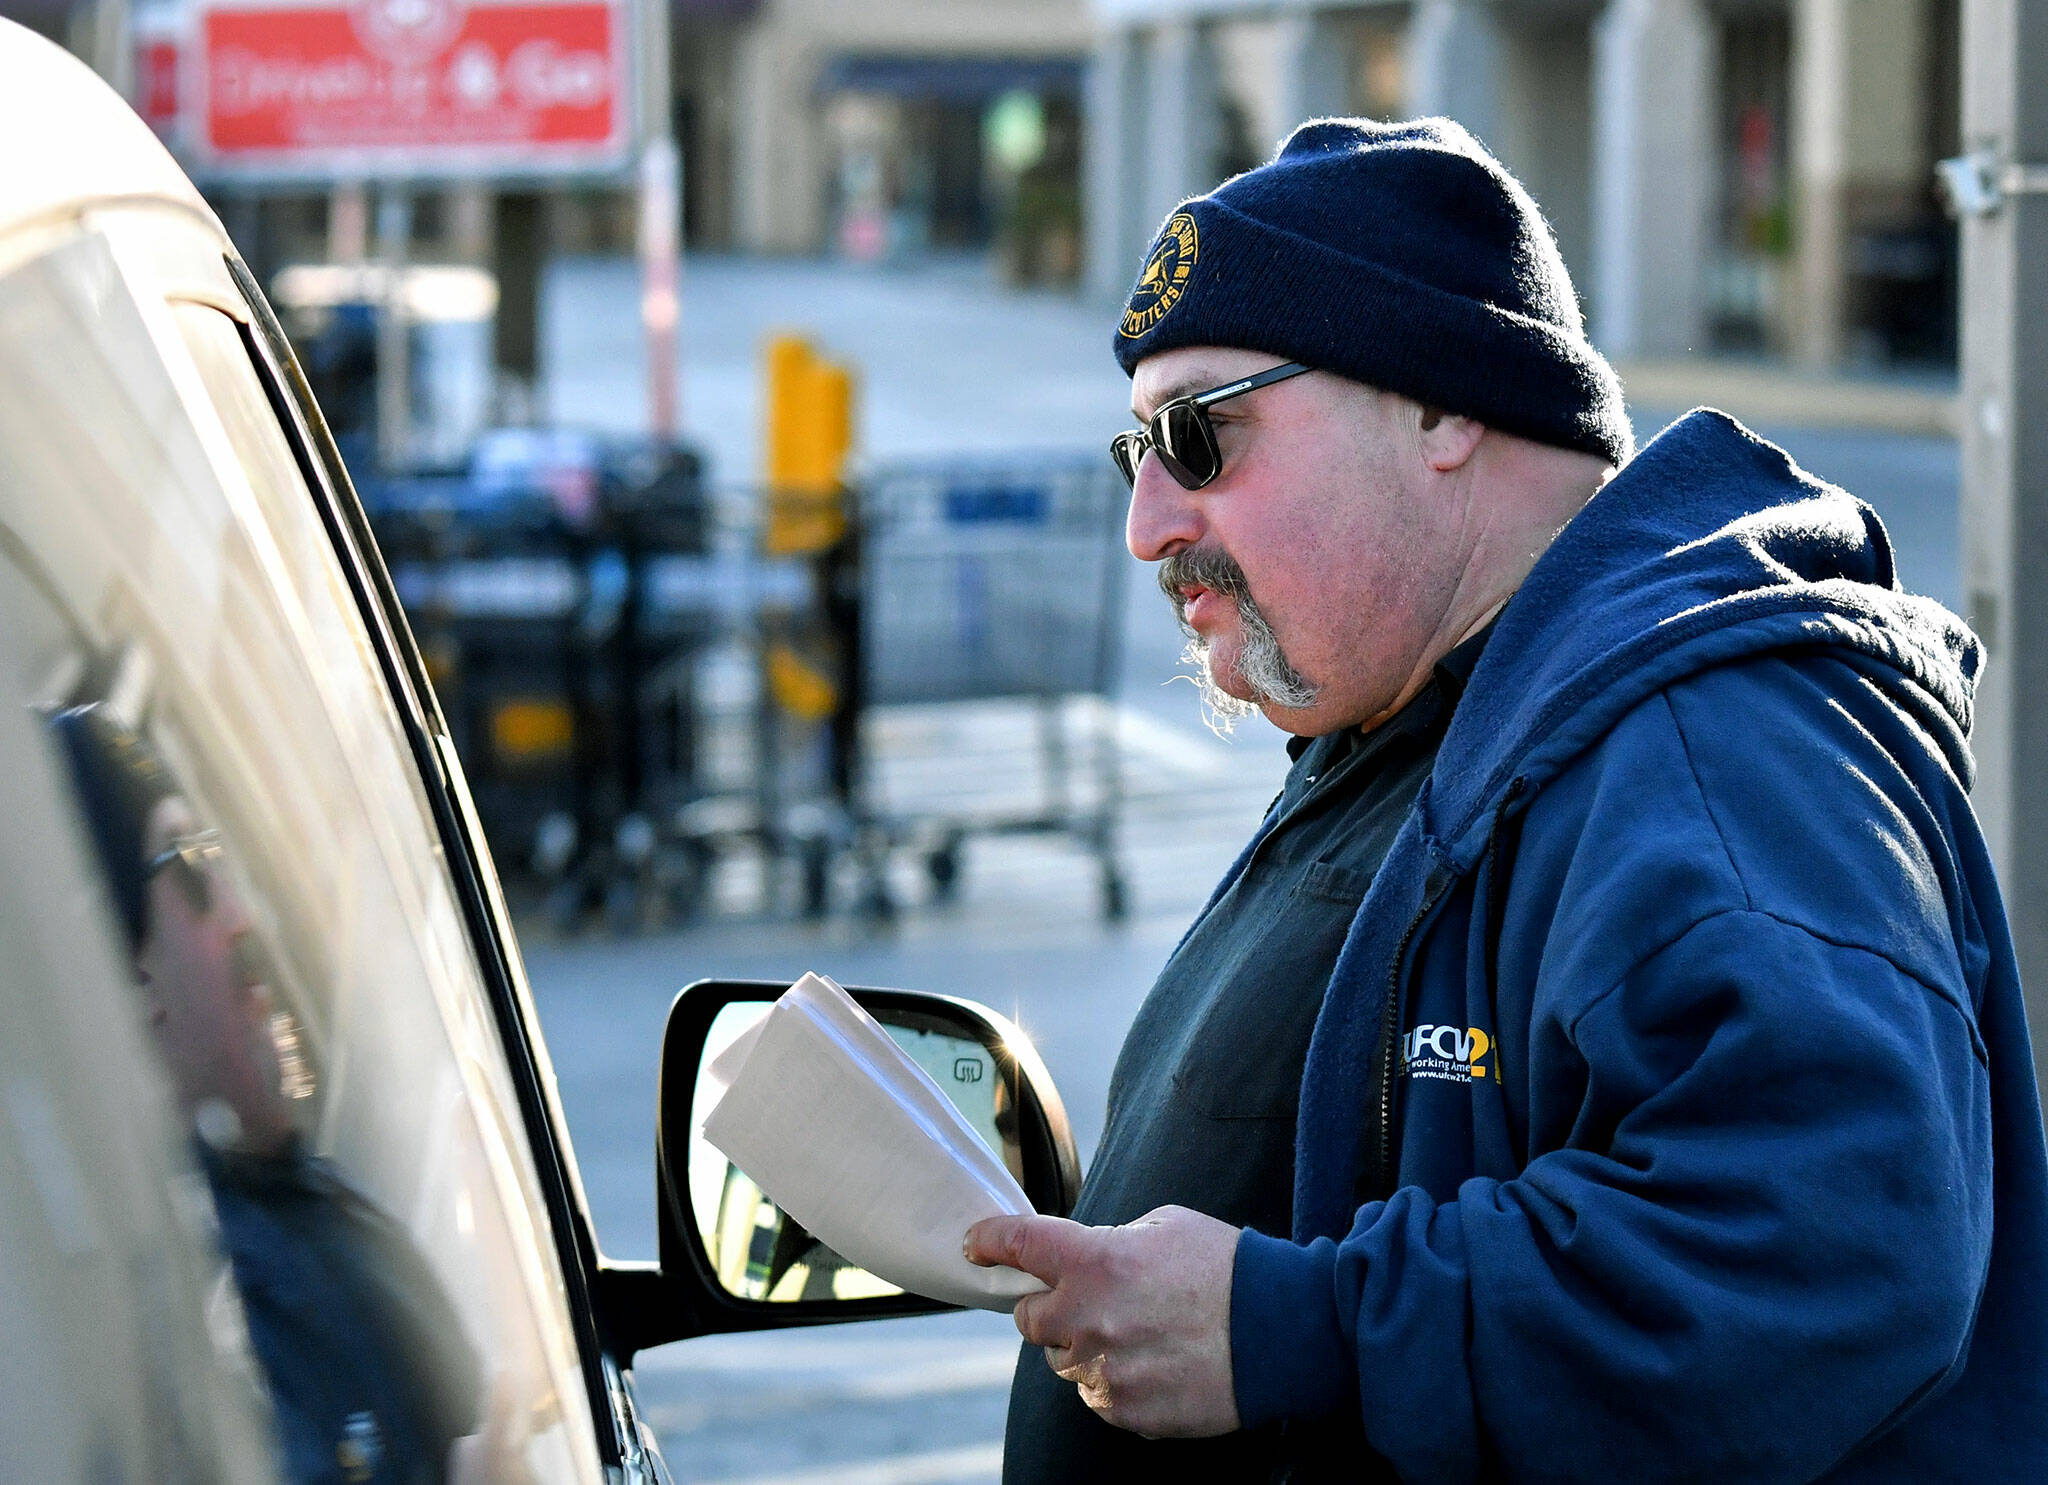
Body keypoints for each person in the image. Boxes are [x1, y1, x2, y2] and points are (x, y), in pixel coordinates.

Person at [970, 118, 2048, 1481]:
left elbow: (1830, 1253)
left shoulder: (1711, 746)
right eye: (1138, 453)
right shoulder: (1432, 719)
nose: (1150, 525)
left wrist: (1297, 1325)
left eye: (1200, 435)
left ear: (1440, 407)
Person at [49, 703, 486, 1485]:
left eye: (217, 855)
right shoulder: (203, 1304)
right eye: (190, 869)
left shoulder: (282, 1206)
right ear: (122, 976)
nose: (240, 913)